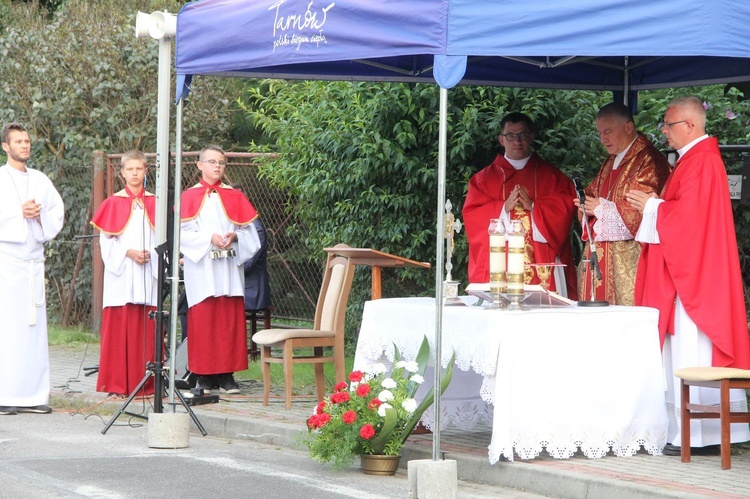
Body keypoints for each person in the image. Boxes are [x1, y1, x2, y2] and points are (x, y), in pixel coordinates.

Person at [626, 96, 750, 454]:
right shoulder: (693, 160)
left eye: (669, 125)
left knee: (692, 349)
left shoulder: (703, 161)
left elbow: (690, 222)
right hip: (691, 273)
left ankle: (697, 437)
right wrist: (657, 204)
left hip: (695, 280)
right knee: (686, 351)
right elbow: (683, 212)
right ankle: (691, 433)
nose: (664, 132)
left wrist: (654, 207)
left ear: (690, 126)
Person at [463, 112, 578, 298]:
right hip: (501, 263)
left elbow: (566, 209)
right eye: (510, 136)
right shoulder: (483, 180)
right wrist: (503, 208)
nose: (517, 141)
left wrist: (535, 207)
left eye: (522, 135)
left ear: (531, 137)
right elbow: (472, 216)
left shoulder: (552, 177)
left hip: (542, 262)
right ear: (501, 140)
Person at [180, 145, 262, 394]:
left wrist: (235, 236)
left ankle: (227, 376)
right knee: (204, 320)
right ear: (200, 165)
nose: (217, 167)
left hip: (227, 268)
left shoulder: (234, 196)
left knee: (228, 321)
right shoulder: (189, 196)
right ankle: (203, 376)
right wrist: (209, 238)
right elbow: (182, 233)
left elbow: (251, 234)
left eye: (222, 163)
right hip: (203, 268)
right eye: (212, 162)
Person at [574, 103, 671, 305]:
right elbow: (592, 195)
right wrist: (585, 205)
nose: (603, 139)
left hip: (627, 259)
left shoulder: (649, 160)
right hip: (599, 257)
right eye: (600, 133)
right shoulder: (612, 161)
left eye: (608, 131)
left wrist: (601, 209)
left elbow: (643, 210)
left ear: (628, 127)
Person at [0, 123, 64, 416]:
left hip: (32, 266)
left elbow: (56, 213)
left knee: (34, 330)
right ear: (6, 147)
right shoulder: (1, 180)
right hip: (7, 264)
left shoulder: (40, 180)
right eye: (18, 142)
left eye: (26, 141)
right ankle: (5, 394)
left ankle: (36, 395)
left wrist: (38, 218)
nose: (24, 146)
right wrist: (18, 215)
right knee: (8, 331)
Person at [90, 150, 158, 397]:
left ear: (146, 171)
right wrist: (128, 252)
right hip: (122, 275)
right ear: (122, 173)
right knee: (120, 327)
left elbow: (160, 239)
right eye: (130, 169)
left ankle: (146, 384)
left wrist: (150, 253)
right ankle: (117, 384)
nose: (135, 173)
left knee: (146, 326)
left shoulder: (155, 202)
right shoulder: (112, 203)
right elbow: (106, 243)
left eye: (139, 169)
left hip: (146, 272)